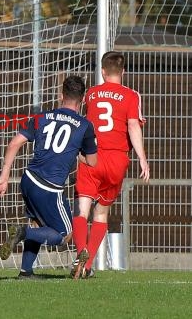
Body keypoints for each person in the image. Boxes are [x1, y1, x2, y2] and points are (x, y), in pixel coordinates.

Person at [0, 76, 97, 279]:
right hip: (49, 187)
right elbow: (92, 162)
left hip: (28, 179)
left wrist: (4, 176)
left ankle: (25, 272)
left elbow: (14, 144)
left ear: (61, 96)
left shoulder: (41, 117)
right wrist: (75, 151)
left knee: (38, 224)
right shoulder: (84, 126)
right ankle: (21, 233)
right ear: (82, 100)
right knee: (64, 234)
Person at [71, 51, 150, 279]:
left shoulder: (92, 94)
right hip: (117, 159)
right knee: (102, 213)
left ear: (103, 72)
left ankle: (80, 254)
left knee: (81, 209)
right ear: (123, 72)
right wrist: (142, 159)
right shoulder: (131, 95)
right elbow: (133, 126)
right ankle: (87, 265)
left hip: (91, 156)